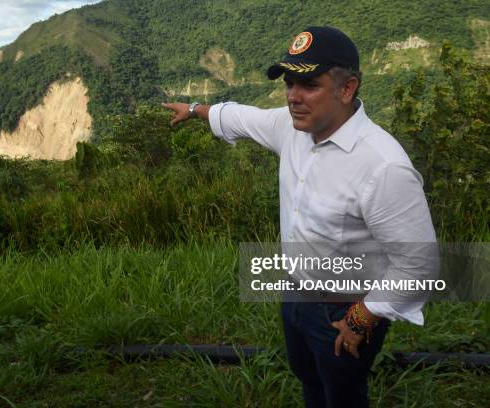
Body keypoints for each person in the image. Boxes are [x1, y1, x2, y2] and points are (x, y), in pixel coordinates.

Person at [162, 26, 438, 408]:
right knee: (309, 380)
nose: (293, 97)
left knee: (342, 392)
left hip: (347, 307)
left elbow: (420, 265)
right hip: (296, 290)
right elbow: (242, 117)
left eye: (308, 84)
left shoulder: (383, 166)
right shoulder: (292, 128)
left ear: (347, 89)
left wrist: (365, 315)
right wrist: (195, 110)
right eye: (290, 84)